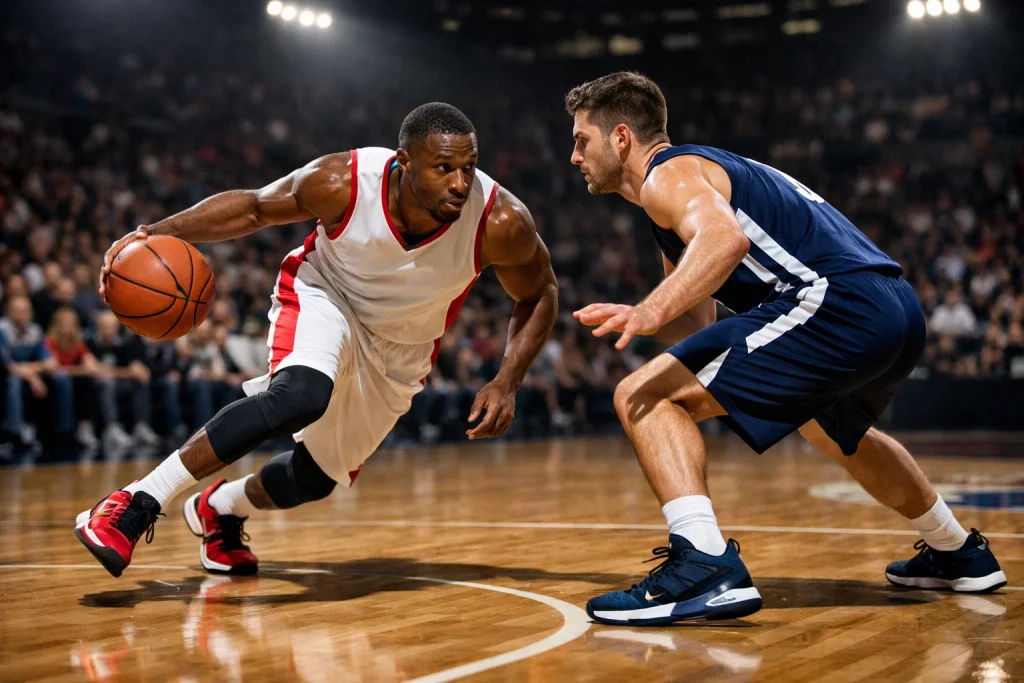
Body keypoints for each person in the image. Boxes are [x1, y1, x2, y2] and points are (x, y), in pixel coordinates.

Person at [564, 72, 1006, 625]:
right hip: (893, 307)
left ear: (621, 138)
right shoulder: (689, 189)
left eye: (582, 140)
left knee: (642, 397)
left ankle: (702, 563)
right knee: (830, 430)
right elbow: (698, 319)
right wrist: (654, 318)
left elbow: (726, 242)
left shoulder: (666, 176)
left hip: (835, 302)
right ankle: (955, 550)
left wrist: (648, 311)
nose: (574, 155)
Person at [75, 102, 558, 578]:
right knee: (301, 394)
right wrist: (151, 233)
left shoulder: (500, 222)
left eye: (468, 168)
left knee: (314, 479)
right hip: (327, 296)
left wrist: (507, 380)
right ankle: (136, 501)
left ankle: (220, 508)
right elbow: (253, 208)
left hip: (402, 346)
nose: (459, 183)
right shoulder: (342, 182)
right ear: (404, 162)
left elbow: (540, 293)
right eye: (444, 167)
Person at [44, 306, 104, 454]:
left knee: (90, 382)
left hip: (71, 380)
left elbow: (92, 366)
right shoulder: (48, 342)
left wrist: (84, 370)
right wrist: (81, 370)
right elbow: (54, 368)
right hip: (50, 382)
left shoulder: (78, 343)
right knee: (65, 380)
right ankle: (65, 431)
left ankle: (86, 428)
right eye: (65, 324)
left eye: (72, 324)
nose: (68, 328)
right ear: (56, 325)